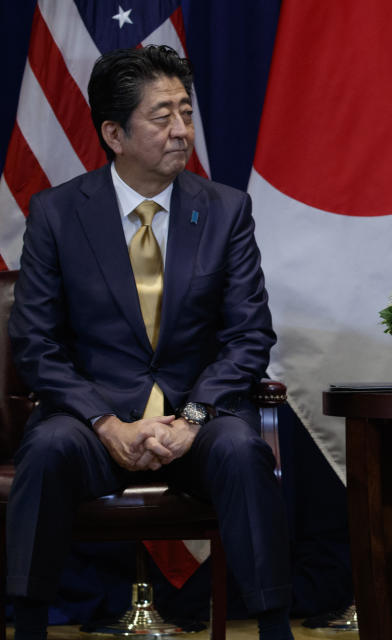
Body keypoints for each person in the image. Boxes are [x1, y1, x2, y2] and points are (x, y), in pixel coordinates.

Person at [6, 45, 293, 640]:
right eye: (162, 117)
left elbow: (248, 336)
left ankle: (273, 626)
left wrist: (189, 419)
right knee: (49, 449)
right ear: (113, 132)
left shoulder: (225, 210)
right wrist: (106, 422)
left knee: (244, 450)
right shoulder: (58, 214)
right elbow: (36, 342)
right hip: (94, 421)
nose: (181, 131)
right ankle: (27, 623)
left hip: (197, 419)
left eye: (186, 113)